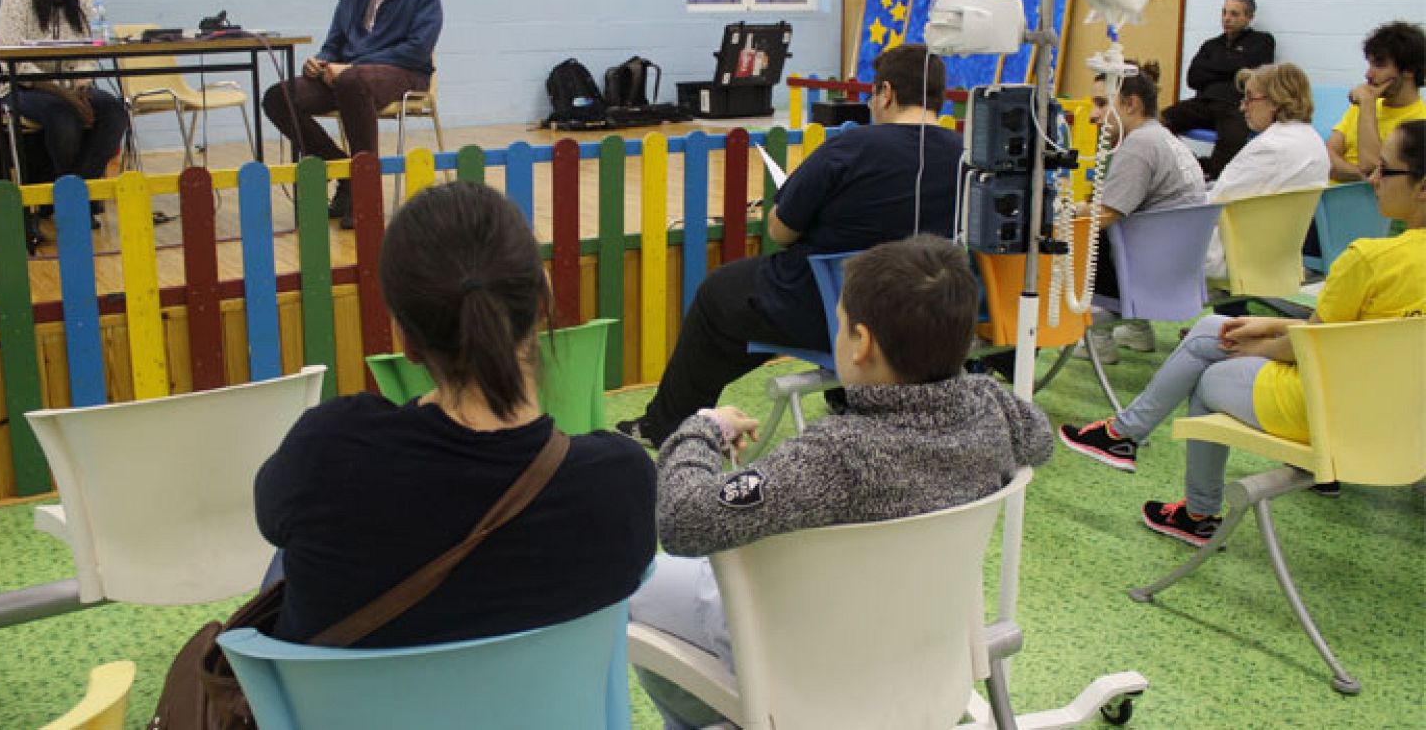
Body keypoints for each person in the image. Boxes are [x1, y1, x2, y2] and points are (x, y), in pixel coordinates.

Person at [629, 236, 1053, 729]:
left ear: (862, 343)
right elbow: (1040, 440)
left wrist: (703, 429)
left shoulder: (835, 456)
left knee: (634, 581)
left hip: (802, 659)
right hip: (925, 645)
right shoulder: (991, 408)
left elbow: (684, 520)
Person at [254, 182, 655, 645]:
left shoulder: (327, 454)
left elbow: (271, 518)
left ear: (407, 340)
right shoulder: (621, 483)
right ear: (542, 303)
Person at [1059, 120, 1426, 544]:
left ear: (1422, 187)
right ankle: (1124, 436)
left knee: (1209, 373)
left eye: (1385, 169)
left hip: (1327, 409)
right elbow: (1358, 333)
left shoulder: (1368, 259)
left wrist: (1260, 345)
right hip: (1399, 417)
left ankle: (1193, 506)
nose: (1372, 178)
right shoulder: (1393, 263)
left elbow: (1311, 348)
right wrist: (1270, 325)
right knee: (1213, 329)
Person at [617, 44, 965, 447]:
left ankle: (668, 426)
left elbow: (780, 232)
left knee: (720, 296)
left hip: (828, 310)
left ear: (886, 92)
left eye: (873, 93)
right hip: (926, 314)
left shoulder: (849, 148)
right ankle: (847, 396)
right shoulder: (968, 155)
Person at [263, 0, 443, 228]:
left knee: (352, 81)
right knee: (279, 96)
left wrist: (351, 68)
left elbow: (418, 48)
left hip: (405, 72)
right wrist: (320, 62)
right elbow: (334, 42)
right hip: (350, 75)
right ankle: (345, 172)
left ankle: (365, 192)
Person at [1076, 61, 1207, 363]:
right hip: (1178, 270)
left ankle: (1096, 335)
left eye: (1101, 104)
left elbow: (1103, 216)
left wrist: (1059, 213)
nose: (1093, 115)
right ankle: (1136, 329)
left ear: (1131, 104)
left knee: (1062, 237)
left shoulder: (1139, 146)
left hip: (1145, 273)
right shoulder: (1165, 138)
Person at [0, 0, 129, 189]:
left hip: (72, 88)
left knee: (115, 112)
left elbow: (88, 53)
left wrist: (82, 86)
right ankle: (71, 195)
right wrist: (66, 95)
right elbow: (15, 62)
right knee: (63, 115)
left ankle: (76, 192)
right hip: (25, 88)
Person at [1201, 62, 1329, 279]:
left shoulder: (1269, 147)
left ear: (1275, 101)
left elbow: (1213, 206)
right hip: (1278, 256)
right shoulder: (1314, 141)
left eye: (1250, 98)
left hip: (1235, 256)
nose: (1243, 107)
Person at [1161, 0, 1275, 179]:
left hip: (1235, 105)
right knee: (1160, 122)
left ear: (1249, 17)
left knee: (1233, 140)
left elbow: (1251, 69)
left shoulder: (1262, 41)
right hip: (1204, 103)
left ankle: (1210, 174)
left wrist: (1213, 68)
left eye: (1234, 14)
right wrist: (1234, 68)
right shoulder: (1211, 45)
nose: (1227, 18)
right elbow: (1193, 77)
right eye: (1224, 12)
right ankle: (1189, 164)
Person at [1325, 21, 1425, 183]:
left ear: (1409, 70)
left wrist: (1367, 105)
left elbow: (1373, 168)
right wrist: (1359, 175)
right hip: (1331, 194)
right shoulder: (1366, 101)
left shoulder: (1420, 123)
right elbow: (1326, 156)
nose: (1368, 74)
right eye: (1369, 64)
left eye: (1379, 65)